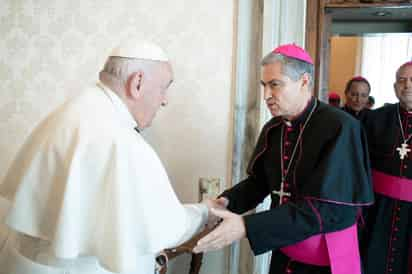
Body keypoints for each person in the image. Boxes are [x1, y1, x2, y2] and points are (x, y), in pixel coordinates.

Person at [0, 39, 211, 274]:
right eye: (164, 87)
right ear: (137, 82)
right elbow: (169, 226)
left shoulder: (75, 109)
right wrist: (205, 211)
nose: (164, 100)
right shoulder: (119, 138)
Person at [193, 44, 373, 274]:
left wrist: (246, 226)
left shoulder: (341, 128)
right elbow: (260, 182)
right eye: (264, 85)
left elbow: (327, 209)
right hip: (285, 249)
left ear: (304, 82)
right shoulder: (274, 128)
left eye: (275, 84)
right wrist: (226, 202)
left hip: (326, 258)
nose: (266, 95)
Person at [361, 61, 412, 274]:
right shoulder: (374, 119)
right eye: (402, 80)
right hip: (377, 210)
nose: (407, 85)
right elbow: (360, 163)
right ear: (394, 87)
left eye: (411, 80)